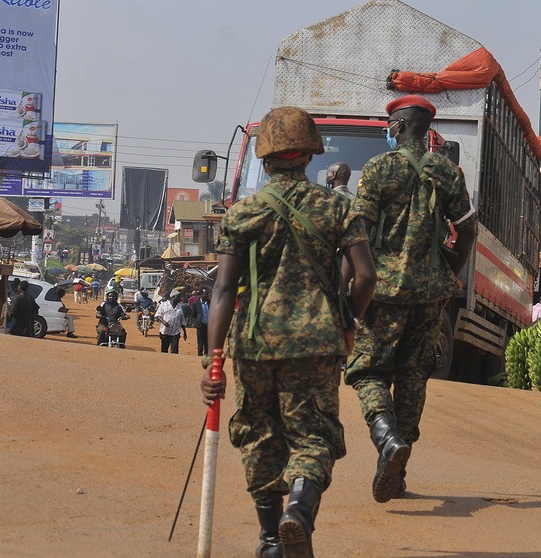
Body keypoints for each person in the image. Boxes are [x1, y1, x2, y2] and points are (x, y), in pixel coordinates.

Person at [200, 106, 376, 558]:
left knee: (259, 435)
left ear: (264, 160)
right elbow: (366, 276)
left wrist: (214, 358)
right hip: (317, 343)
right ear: (309, 156)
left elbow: (223, 290)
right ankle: (298, 509)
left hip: (253, 344)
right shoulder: (338, 206)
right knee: (312, 436)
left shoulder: (243, 212)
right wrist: (347, 322)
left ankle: (270, 539)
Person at [345, 94, 476, 504]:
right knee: (414, 375)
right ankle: (398, 473)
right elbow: (467, 231)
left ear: (399, 127)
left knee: (367, 371)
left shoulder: (379, 168)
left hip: (381, 291)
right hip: (430, 295)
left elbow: (357, 232)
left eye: (390, 126)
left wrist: (345, 290)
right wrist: (445, 277)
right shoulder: (447, 171)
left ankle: (386, 439)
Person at [192, 288, 210, 356]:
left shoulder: (210, 303)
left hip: (208, 326)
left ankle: (206, 356)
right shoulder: (196, 303)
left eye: (207, 294)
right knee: (200, 343)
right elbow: (192, 315)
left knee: (207, 343)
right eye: (205, 294)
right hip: (200, 325)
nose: (207, 296)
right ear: (201, 294)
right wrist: (195, 323)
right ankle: (199, 356)